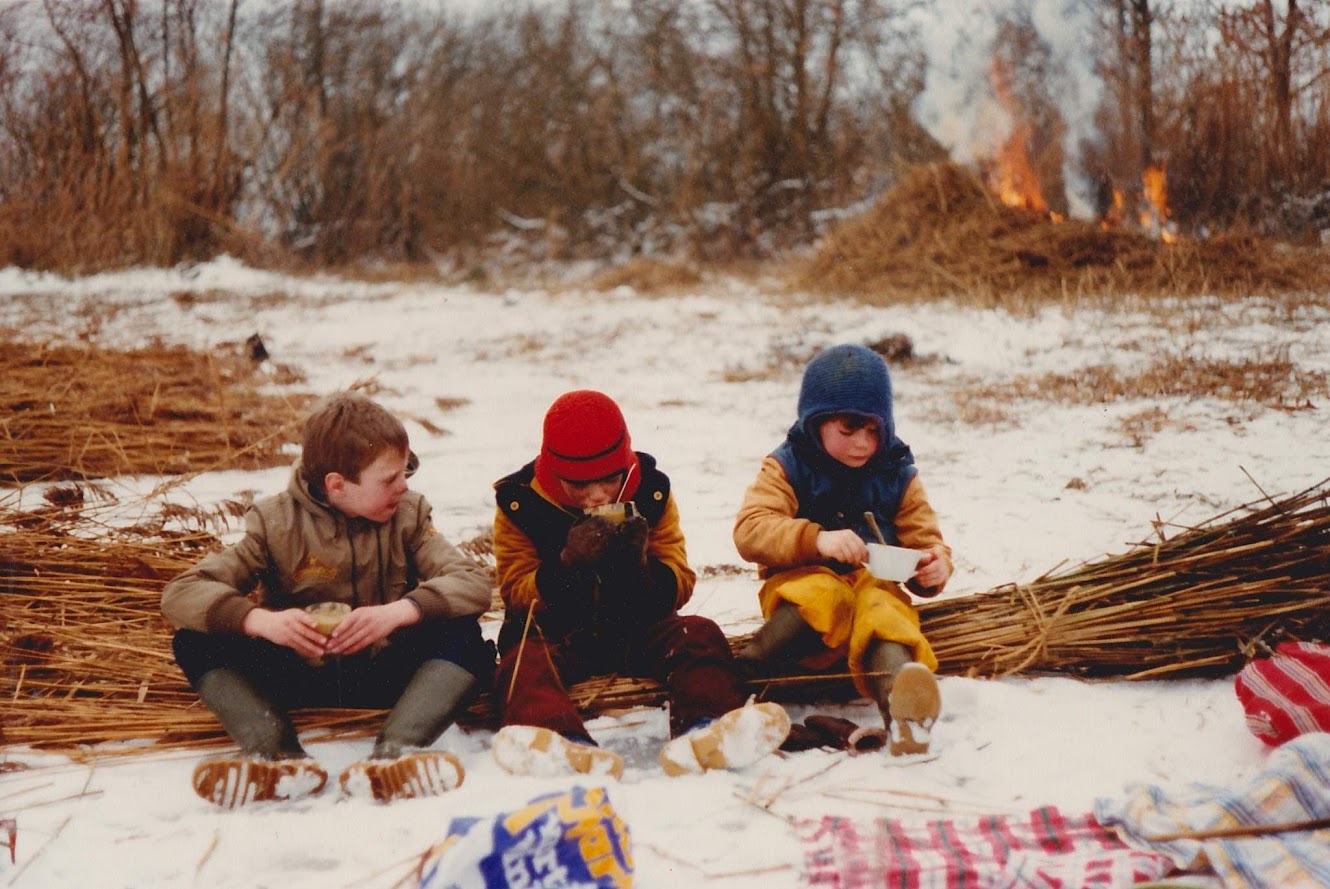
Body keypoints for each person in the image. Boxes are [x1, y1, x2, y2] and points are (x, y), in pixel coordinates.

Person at [162, 391, 494, 807]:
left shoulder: (408, 516)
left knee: (465, 634)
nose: (404, 485)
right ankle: (278, 758)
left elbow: (473, 582)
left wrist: (397, 613)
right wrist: (262, 622)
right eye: (389, 479)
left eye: (404, 472)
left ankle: (394, 755)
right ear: (338, 485)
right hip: (299, 674)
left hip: (384, 672)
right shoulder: (274, 522)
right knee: (194, 641)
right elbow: (181, 592)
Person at [489, 389, 789, 778]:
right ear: (554, 472)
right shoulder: (520, 503)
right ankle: (562, 746)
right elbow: (516, 594)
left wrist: (640, 568)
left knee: (698, 634)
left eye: (609, 480)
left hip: (635, 627)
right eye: (580, 485)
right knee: (519, 665)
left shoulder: (651, 492)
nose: (598, 495)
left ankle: (706, 731)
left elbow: (681, 579)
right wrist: (566, 566)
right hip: (557, 634)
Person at [732, 343, 952, 755]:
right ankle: (742, 688)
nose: (862, 444)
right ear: (815, 423)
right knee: (823, 594)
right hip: (801, 594)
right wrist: (815, 539)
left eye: (873, 430)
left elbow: (925, 539)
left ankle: (904, 714)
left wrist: (934, 566)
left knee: (885, 613)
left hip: (872, 587)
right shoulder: (787, 466)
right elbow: (750, 529)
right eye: (848, 430)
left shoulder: (896, 472)